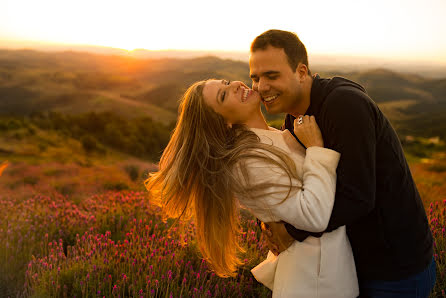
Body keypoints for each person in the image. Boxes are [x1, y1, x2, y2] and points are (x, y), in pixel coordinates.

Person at [249, 29, 436, 297]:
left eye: (271, 75)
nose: (260, 87)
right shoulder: (294, 117)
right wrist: (270, 222)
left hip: (394, 270)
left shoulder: (345, 105)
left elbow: (358, 197)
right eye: (255, 77)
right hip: (353, 263)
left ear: (301, 72)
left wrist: (290, 231)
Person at [145, 79, 359, 297]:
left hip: (325, 273)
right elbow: (313, 216)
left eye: (226, 83)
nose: (235, 86)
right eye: (223, 95)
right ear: (224, 123)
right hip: (315, 284)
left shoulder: (270, 137)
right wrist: (315, 149)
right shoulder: (247, 164)